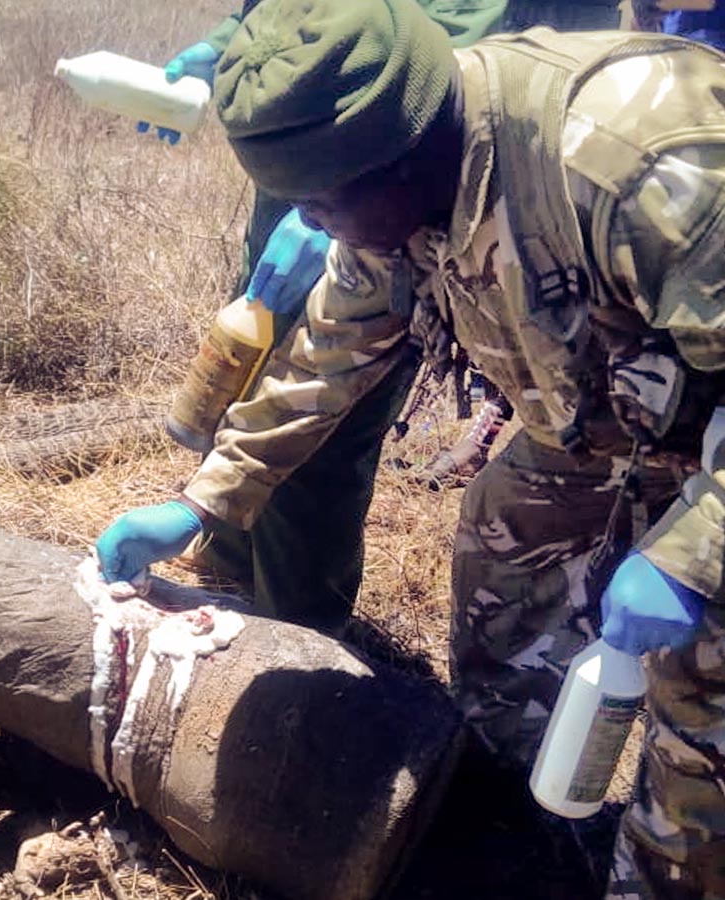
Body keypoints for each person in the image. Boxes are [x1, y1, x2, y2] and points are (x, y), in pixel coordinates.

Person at [98, 3, 725, 896]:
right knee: (506, 534)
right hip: (610, 422)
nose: (318, 224)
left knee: (702, 700)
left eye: (322, 203)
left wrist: (694, 560)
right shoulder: (393, 193)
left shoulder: (635, 161)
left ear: (399, 153)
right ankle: (516, 813)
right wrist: (207, 498)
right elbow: (328, 353)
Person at [139, 0, 508, 633]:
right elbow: (312, 371)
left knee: (324, 453)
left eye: (322, 211)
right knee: (253, 365)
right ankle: (230, 558)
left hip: (380, 134)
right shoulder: (345, 214)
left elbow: (454, 29)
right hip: (326, 146)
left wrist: (361, 149)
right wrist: (243, 49)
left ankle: (299, 632)